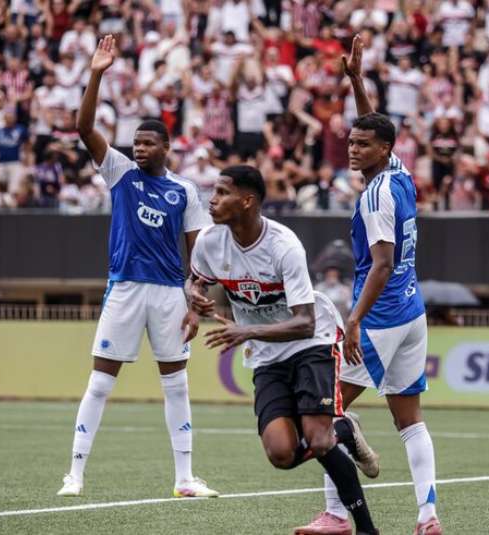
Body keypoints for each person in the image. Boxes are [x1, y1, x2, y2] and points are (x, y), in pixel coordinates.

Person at [56, 35, 217, 499]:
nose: (139, 149)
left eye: (148, 143)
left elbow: (198, 251)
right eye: (136, 143)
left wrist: (197, 291)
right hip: (125, 288)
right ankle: (75, 473)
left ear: (167, 146)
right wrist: (96, 73)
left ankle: (185, 479)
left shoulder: (185, 191)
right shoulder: (120, 173)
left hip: (169, 294)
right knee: (101, 382)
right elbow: (84, 128)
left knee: (176, 386)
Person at [187, 165, 379, 535]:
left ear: (247, 201)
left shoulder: (283, 245)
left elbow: (304, 321)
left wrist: (247, 330)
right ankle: (345, 429)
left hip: (311, 342)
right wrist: (193, 297)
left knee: (319, 440)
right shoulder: (210, 243)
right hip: (267, 353)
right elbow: (196, 281)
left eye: (222, 192)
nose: (212, 199)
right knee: (281, 455)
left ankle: (367, 528)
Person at [300, 35, 442, 535]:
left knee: (321, 413)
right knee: (412, 422)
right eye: (351, 142)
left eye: (363, 145)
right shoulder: (399, 174)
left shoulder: (376, 197)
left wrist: (354, 320)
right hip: (411, 309)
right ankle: (428, 517)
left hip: (379, 317)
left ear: (383, 149)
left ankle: (337, 515)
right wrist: (358, 81)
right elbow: (376, 125)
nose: (353, 149)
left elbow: (381, 263)